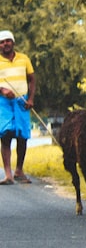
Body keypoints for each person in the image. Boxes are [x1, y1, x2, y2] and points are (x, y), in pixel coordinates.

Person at [0, 30, 35, 185]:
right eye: (1, 42)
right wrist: (2, 90)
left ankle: (19, 170)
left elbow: (32, 80)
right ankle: (8, 174)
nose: (5, 44)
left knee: (22, 136)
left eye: (7, 41)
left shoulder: (24, 59)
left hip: (22, 101)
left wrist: (31, 99)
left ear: (13, 42)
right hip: (3, 103)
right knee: (5, 135)